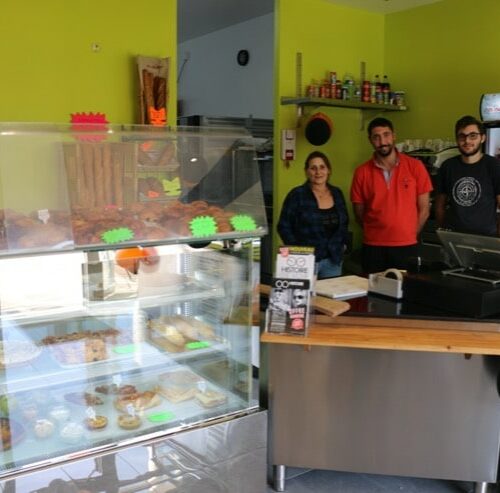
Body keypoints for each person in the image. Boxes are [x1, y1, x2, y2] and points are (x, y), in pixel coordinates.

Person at [350, 117, 433, 274]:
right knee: (373, 288)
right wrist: (376, 232)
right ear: (370, 140)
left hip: (406, 246)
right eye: (376, 137)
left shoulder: (415, 167)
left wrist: (409, 233)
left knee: (406, 288)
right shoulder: (362, 172)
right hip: (373, 248)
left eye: (386, 135)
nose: (382, 141)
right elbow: (359, 213)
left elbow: (424, 209)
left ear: (394, 136)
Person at [277, 151, 350, 279]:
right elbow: (283, 226)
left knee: (331, 292)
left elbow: (344, 222)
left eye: (322, 167)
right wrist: (298, 250)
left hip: (333, 260)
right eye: (313, 168)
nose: (318, 172)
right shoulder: (297, 194)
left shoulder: (337, 193)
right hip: (305, 261)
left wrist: (343, 244)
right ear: (306, 171)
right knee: (306, 293)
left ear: (328, 170)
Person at [434, 115, 500, 236]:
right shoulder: (447, 166)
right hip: (454, 236)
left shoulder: (494, 165)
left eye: (473, 136)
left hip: (486, 237)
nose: (467, 141)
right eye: (462, 136)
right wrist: (443, 231)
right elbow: (439, 204)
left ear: (482, 138)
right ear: (457, 139)